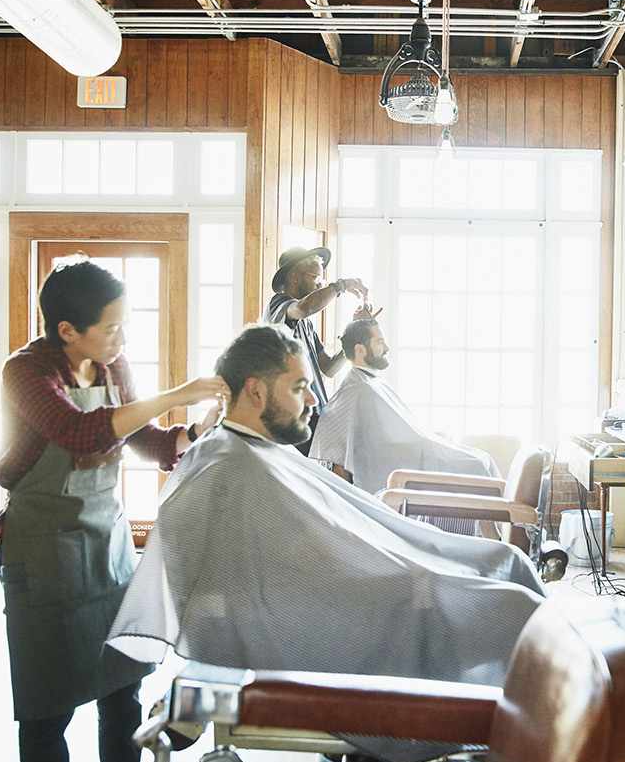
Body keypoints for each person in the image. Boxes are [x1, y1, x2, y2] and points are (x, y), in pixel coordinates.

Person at [107, 323, 544, 690]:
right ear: (256, 392)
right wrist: (408, 576)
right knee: (511, 609)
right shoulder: (226, 466)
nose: (314, 400)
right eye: (299, 388)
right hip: (321, 618)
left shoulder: (253, 450)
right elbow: (257, 587)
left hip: (349, 590)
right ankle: (533, 758)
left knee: (505, 559)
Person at [0, 260, 228, 762]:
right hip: (41, 548)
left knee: (122, 686)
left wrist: (189, 435)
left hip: (107, 543)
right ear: (67, 330)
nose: (121, 339)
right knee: (47, 710)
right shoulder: (26, 372)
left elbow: (140, 438)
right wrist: (178, 392)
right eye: (111, 328)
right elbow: (79, 431)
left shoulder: (114, 365)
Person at [310, 317, 501, 494]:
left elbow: (401, 429)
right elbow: (335, 450)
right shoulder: (355, 390)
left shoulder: (372, 383)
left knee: (484, 460)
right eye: (379, 342)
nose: (386, 348)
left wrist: (430, 437)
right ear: (360, 350)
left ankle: (504, 529)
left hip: (417, 451)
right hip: (401, 465)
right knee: (478, 465)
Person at [261, 246, 374, 453]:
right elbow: (304, 308)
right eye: (316, 278)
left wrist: (354, 333)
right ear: (294, 277)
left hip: (315, 415)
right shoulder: (278, 305)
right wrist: (341, 286)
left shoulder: (307, 324)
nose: (320, 284)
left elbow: (329, 368)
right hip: (291, 417)